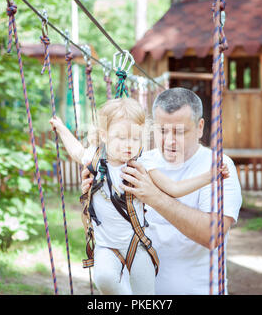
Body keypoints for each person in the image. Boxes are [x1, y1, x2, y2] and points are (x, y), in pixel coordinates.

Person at [50, 97, 229, 295]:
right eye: (121, 137)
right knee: (104, 279)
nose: (129, 145)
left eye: (135, 138)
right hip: (105, 244)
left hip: (135, 241)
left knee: (145, 292)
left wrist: (209, 177)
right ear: (104, 135)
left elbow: (174, 188)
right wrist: (60, 127)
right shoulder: (95, 159)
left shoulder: (142, 164)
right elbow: (76, 150)